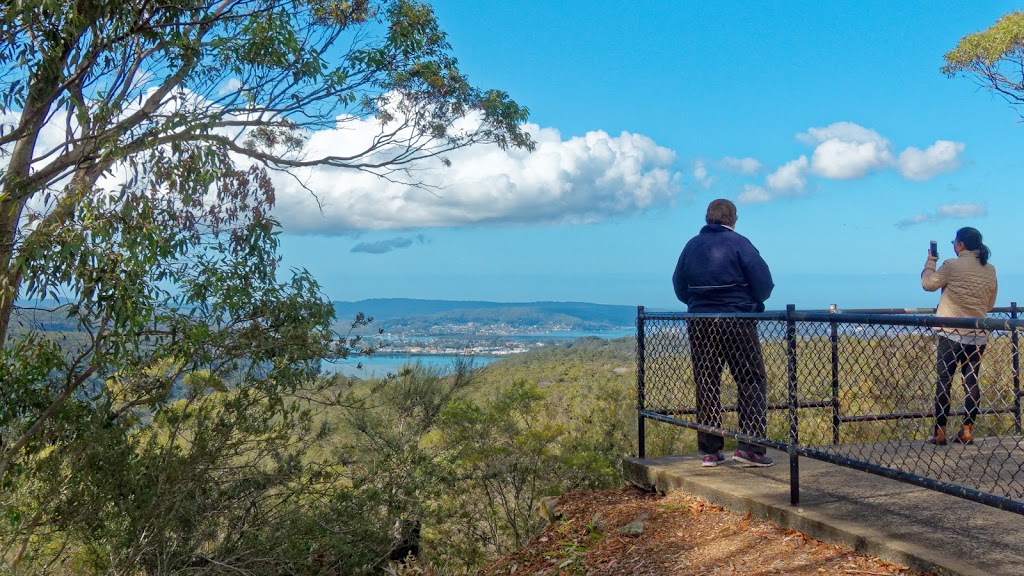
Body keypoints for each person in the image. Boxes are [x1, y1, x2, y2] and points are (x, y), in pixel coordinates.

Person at [672, 199, 775, 467]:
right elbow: (764, 284)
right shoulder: (740, 244)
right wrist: (751, 304)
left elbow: (679, 286)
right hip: (737, 320)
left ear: (707, 218)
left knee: (706, 381)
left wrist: (699, 304)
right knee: (751, 380)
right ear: (733, 219)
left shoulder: (691, 246)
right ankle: (750, 447)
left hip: (700, 321)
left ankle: (710, 450)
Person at [922, 227, 998, 446]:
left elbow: (928, 284)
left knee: (944, 382)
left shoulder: (951, 266)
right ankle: (967, 431)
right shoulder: (989, 269)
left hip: (951, 334)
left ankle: (940, 432)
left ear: (961, 244)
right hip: (978, 336)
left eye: (954, 242)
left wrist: (929, 263)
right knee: (971, 382)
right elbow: (990, 304)